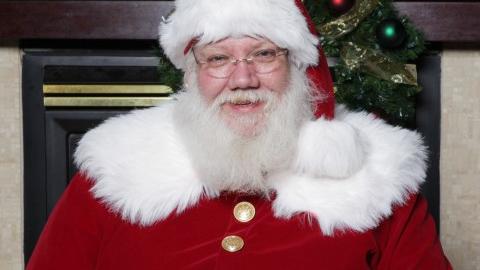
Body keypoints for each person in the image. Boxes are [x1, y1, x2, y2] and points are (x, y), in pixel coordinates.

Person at [26, 0, 453, 269]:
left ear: (298, 68)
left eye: (264, 54)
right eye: (217, 59)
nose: (242, 77)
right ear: (192, 75)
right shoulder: (115, 169)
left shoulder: (380, 181)